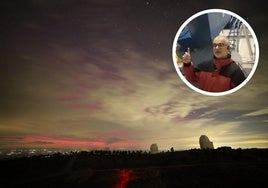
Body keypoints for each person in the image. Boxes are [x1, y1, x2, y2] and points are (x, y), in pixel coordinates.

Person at [182, 35, 246, 92]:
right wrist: (187, 64)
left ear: (228, 48)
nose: (217, 48)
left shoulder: (236, 72)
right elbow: (192, 78)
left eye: (220, 45)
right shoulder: (204, 66)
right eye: (215, 45)